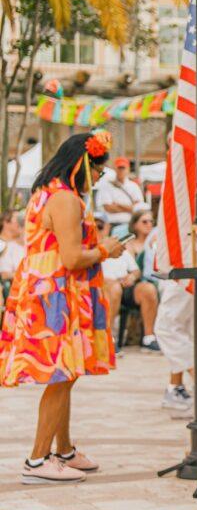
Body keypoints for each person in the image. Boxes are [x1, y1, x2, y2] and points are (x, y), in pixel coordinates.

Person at [0, 131, 121, 485]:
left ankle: (64, 450)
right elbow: (71, 258)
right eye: (98, 170)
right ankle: (37, 460)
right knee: (60, 374)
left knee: (66, 373)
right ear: (82, 164)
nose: (98, 178)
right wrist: (106, 250)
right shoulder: (65, 198)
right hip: (56, 296)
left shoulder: (46, 192)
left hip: (49, 291)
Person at [144, 218, 194, 417]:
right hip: (184, 260)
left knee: (167, 328)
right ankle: (176, 388)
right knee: (185, 329)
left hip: (186, 261)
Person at [105, 210, 161, 351]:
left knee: (148, 289)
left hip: (128, 285)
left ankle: (149, 338)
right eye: (144, 221)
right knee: (114, 288)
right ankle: (108, 339)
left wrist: (131, 277)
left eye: (151, 221)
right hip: (107, 285)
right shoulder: (97, 247)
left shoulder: (122, 246)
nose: (149, 224)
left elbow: (136, 270)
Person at [94, 156, 144, 231]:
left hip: (130, 224)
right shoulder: (107, 185)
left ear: (128, 169)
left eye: (123, 168)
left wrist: (118, 205)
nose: (121, 170)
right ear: (115, 169)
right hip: (112, 225)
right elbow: (108, 208)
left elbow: (138, 208)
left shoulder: (134, 186)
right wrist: (130, 207)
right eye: (119, 168)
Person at [0, 210, 23, 300]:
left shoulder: (18, 245)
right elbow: (4, 274)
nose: (20, 223)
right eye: (17, 219)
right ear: (6, 222)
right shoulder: (2, 244)